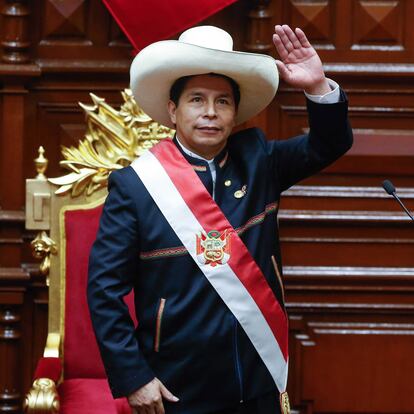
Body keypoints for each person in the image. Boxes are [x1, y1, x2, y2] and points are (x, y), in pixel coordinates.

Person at [88, 24, 353, 414]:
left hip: (258, 374)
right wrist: (134, 376)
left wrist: (316, 86)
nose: (210, 113)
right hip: (175, 386)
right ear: (173, 110)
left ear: (234, 114)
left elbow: (330, 144)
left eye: (223, 102)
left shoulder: (259, 159)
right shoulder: (136, 186)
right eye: (197, 99)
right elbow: (104, 290)